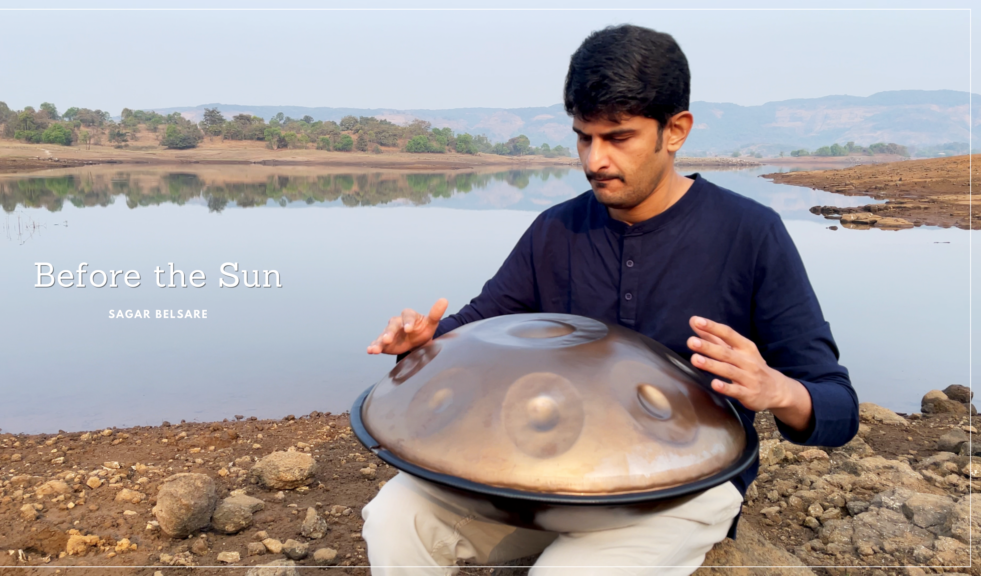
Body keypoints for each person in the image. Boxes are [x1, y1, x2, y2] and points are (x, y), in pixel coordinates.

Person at [362, 24, 858, 576]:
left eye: (618, 137)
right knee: (393, 520)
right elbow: (478, 328)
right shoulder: (556, 230)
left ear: (675, 131)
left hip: (680, 492)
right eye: (583, 137)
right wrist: (422, 345)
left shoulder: (751, 233)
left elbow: (838, 407)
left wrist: (777, 389)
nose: (595, 159)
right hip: (550, 481)